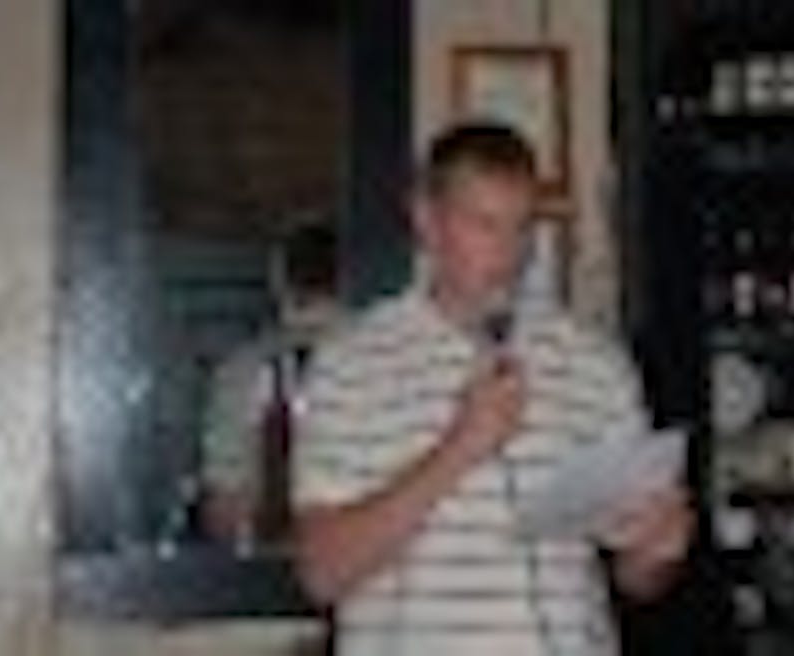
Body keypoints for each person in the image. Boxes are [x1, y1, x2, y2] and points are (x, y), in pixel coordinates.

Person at [292, 123, 693, 655]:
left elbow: (636, 580)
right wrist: (459, 449)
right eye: (484, 224)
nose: (510, 254)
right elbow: (321, 573)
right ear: (425, 219)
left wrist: (657, 551)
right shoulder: (350, 362)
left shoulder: (594, 361)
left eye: (523, 227)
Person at [201, 223, 341, 542]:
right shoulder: (384, 360)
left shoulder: (241, 371)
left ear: (279, 282)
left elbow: (223, 513)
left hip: (272, 563)